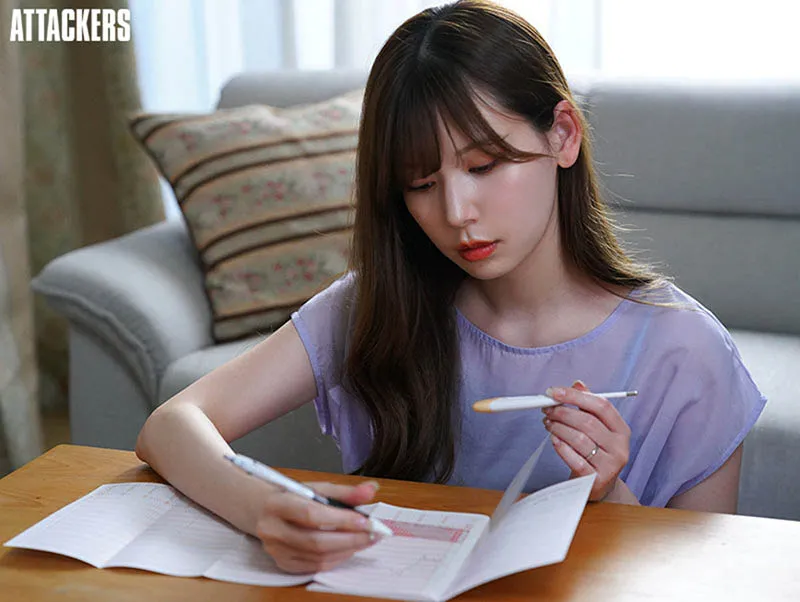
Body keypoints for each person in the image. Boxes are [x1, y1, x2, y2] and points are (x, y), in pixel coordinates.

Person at [135, 0, 766, 574]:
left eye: (483, 165)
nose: (456, 212)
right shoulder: (377, 306)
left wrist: (610, 495)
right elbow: (172, 424)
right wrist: (262, 509)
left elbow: (711, 580)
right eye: (421, 183)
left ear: (563, 135)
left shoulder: (687, 352)